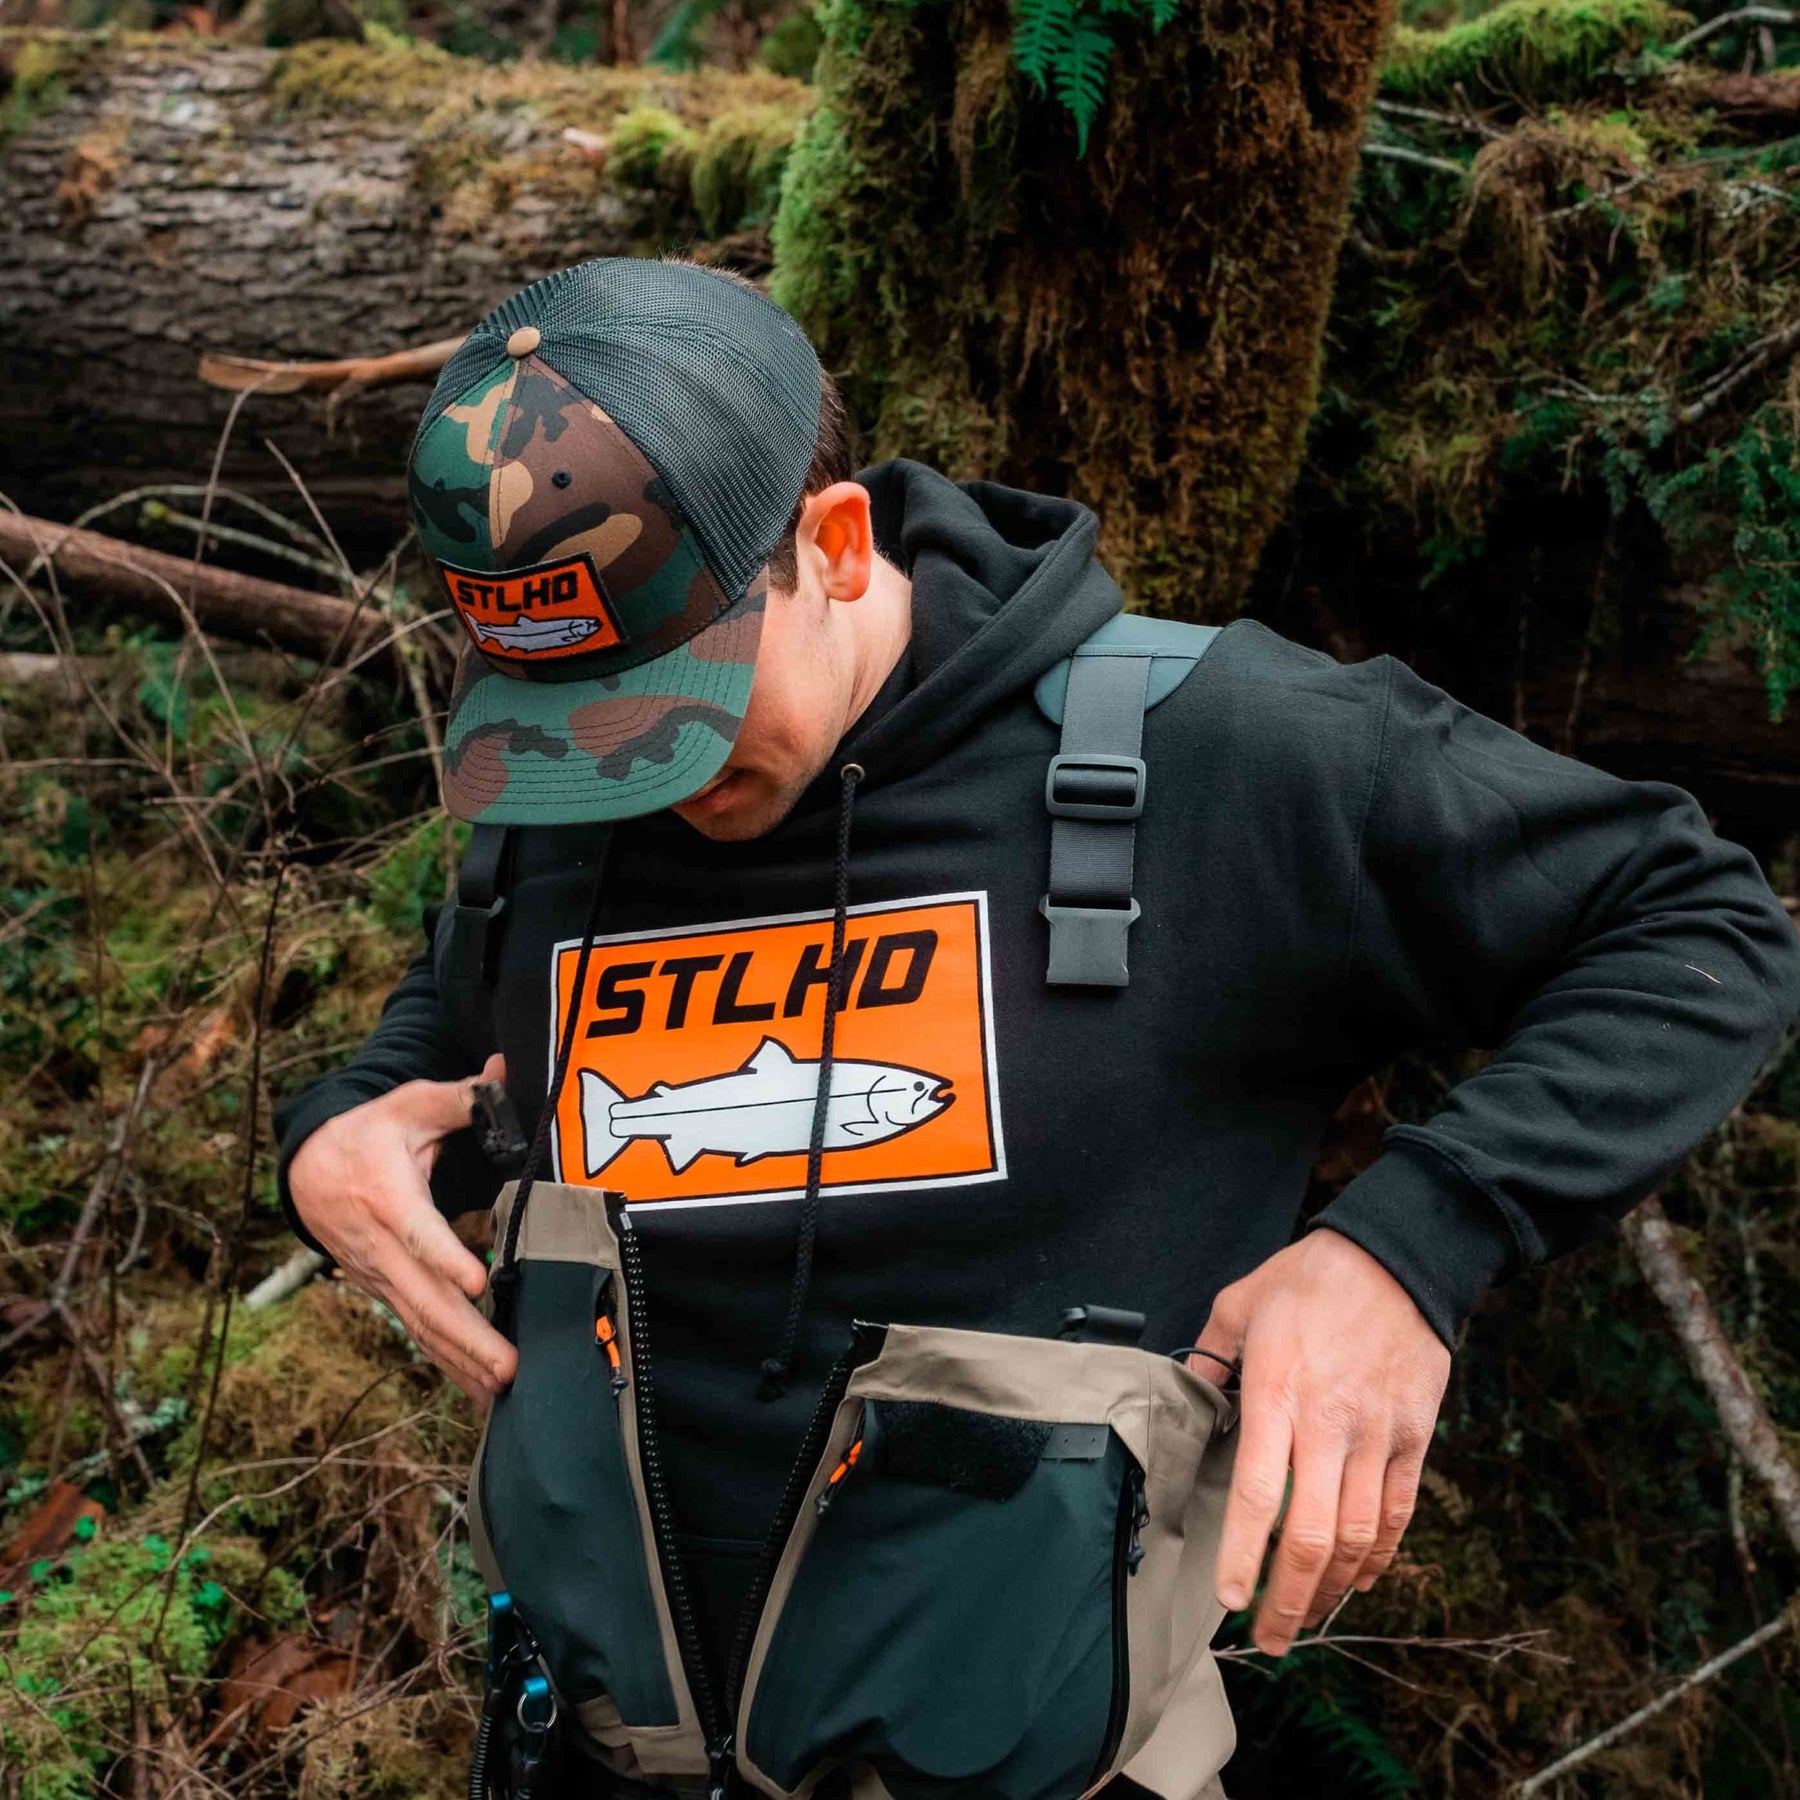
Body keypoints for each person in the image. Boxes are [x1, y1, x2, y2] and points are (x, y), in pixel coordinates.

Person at [277, 256, 1800, 1796]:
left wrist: (1412, 1244)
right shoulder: (566, 811)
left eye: (676, 699)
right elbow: (446, 1050)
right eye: (573, 725)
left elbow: (1692, 921)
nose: (639, 778)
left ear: (836, 545)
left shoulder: (1221, 756)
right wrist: (334, 1142)